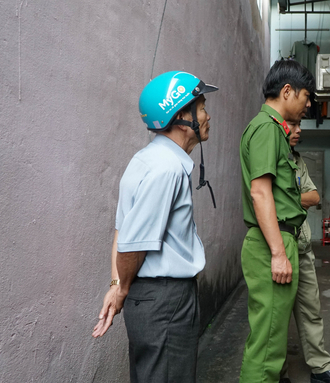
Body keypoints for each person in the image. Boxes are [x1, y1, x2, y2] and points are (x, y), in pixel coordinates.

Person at [91, 71, 218, 383]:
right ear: (180, 116)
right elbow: (133, 244)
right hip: (166, 302)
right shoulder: (167, 170)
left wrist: (116, 284)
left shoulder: (146, 159)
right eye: (200, 107)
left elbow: (122, 231)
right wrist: (120, 289)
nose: (207, 115)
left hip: (152, 299)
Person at [238, 59, 314, 383]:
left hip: (279, 239)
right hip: (273, 242)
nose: (308, 105)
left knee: (271, 342)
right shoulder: (268, 128)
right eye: (305, 97)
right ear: (287, 91)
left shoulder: (271, 130)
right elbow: (261, 193)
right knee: (267, 348)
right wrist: (279, 253)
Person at [280, 120, 330, 383]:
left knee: (311, 310)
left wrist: (287, 198)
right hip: (277, 247)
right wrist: (295, 198)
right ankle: (278, 373)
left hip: (303, 247)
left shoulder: (298, 161)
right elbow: (264, 198)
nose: (299, 130)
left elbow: (314, 197)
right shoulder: (271, 157)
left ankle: (321, 370)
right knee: (277, 317)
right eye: (293, 124)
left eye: (300, 124)